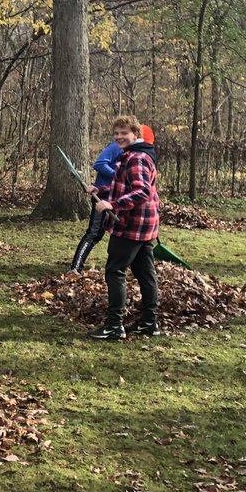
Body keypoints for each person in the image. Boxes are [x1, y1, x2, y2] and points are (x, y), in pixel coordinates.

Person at [88, 115, 161, 340]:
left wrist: (112, 204)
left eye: (124, 133)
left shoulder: (137, 157)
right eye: (116, 133)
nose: (119, 137)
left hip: (132, 224)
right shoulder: (134, 154)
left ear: (135, 134)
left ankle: (114, 325)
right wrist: (101, 191)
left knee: (115, 271)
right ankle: (149, 322)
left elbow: (141, 191)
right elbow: (125, 186)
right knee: (144, 272)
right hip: (145, 224)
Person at [70, 123, 156, 272]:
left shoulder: (137, 155)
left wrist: (121, 179)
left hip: (119, 201)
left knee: (140, 264)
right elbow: (99, 164)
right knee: (94, 234)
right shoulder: (118, 147)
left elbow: (141, 188)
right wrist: (118, 176)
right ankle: (76, 268)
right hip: (104, 198)